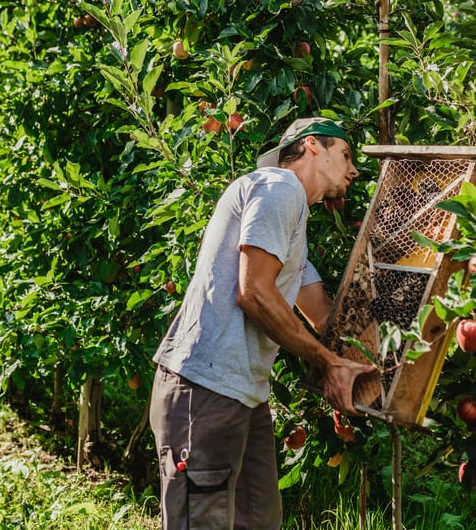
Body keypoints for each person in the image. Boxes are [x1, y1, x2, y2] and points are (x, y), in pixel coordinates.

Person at [149, 117, 377, 529]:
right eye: (345, 155)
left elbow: (322, 312)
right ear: (312, 146)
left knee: (259, 519)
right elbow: (253, 291)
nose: (354, 170)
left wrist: (376, 359)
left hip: (244, 395)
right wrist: (327, 362)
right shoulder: (279, 188)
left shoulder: (292, 217)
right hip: (204, 390)